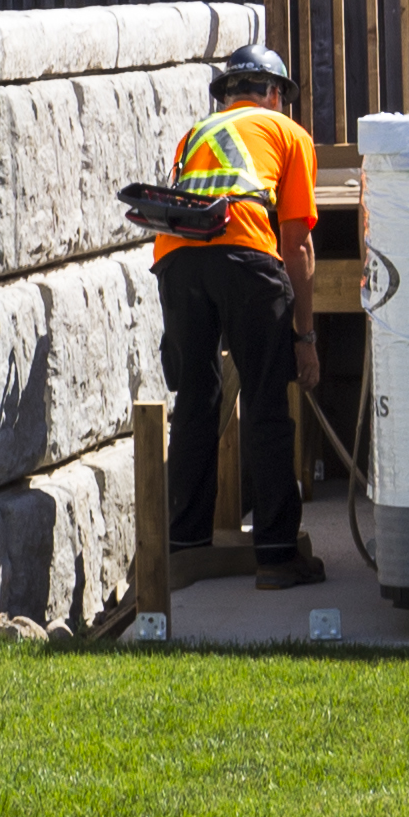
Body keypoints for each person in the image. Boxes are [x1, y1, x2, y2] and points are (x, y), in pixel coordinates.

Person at [147, 41, 326, 587]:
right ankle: (276, 556)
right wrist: (305, 336)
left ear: (226, 94)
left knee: (196, 403)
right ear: (275, 93)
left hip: (176, 260)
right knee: (268, 401)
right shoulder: (288, 134)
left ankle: (184, 546)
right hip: (247, 254)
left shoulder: (194, 135)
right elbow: (295, 245)